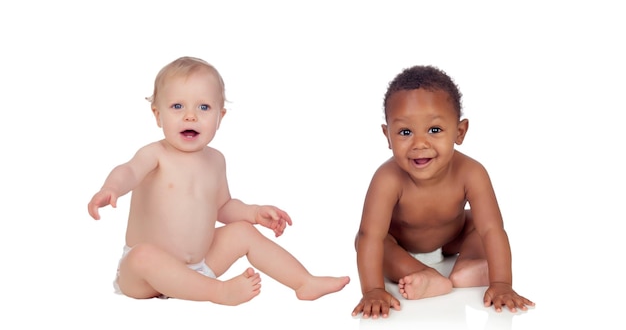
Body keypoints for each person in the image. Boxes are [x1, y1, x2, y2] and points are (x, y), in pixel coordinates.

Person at [87, 56, 349, 305]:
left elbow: (222, 207)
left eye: (204, 107)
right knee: (142, 255)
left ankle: (303, 281)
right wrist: (111, 188)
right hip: (144, 277)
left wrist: (253, 213)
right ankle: (219, 292)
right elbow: (129, 171)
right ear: (157, 115)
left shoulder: (216, 160)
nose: (191, 116)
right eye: (177, 106)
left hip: (198, 267)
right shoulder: (155, 155)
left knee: (243, 232)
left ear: (220, 117)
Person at [351, 65, 534, 319]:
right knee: (364, 242)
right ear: (388, 136)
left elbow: (492, 229)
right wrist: (372, 289)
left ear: (459, 132)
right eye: (405, 132)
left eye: (434, 130)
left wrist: (502, 283)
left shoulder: (472, 172)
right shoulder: (387, 178)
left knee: (478, 224)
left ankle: (468, 266)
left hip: (452, 238)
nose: (420, 144)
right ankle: (423, 274)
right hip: (401, 245)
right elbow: (370, 235)